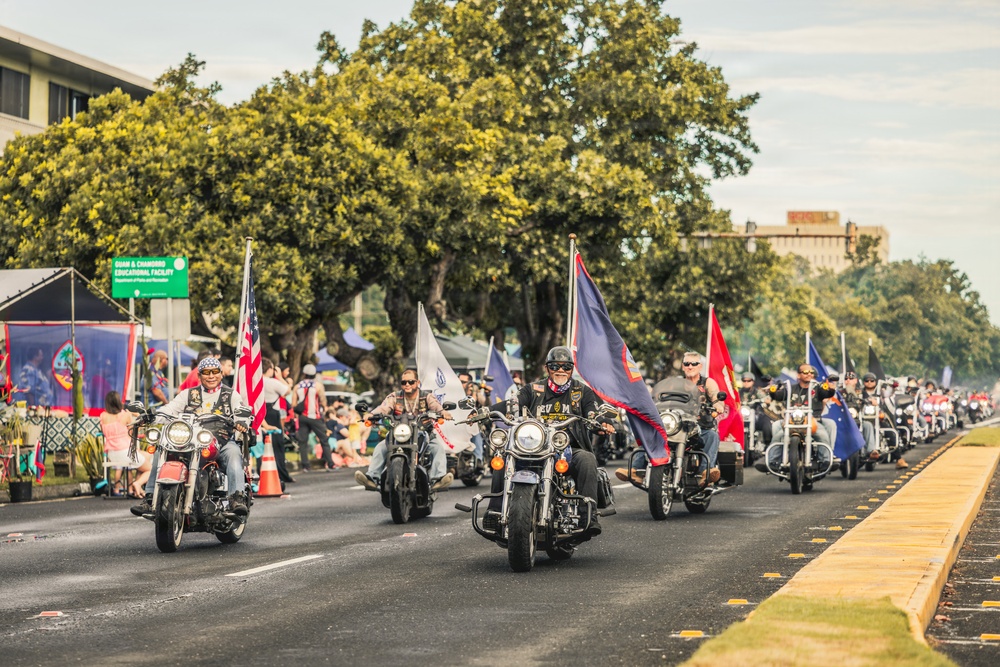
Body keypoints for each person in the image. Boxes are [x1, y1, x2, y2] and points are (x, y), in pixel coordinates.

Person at [490, 346, 613, 535]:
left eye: (566, 367)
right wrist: (485, 411)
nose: (561, 370)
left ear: (572, 369)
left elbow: (592, 411)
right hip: (533, 448)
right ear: (547, 368)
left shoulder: (581, 391)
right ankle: (494, 512)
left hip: (569, 449)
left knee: (588, 459)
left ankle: (588, 515)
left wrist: (602, 422)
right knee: (504, 459)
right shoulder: (533, 389)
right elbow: (512, 404)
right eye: (555, 366)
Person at [130, 357, 251, 517]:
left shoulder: (231, 395)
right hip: (190, 440)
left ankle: (237, 497)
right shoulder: (188, 394)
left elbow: (240, 411)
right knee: (161, 451)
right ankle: (150, 498)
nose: (211, 376)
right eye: (206, 373)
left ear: (221, 374)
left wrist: (241, 421)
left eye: (215, 372)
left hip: (221, 441)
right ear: (199, 376)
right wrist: (150, 416)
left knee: (234, 453)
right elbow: (170, 409)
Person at [354, 368, 455, 491]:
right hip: (398, 434)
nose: (407, 384)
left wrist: (443, 412)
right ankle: (372, 478)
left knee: (438, 448)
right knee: (380, 448)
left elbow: (436, 406)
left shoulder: (426, 397)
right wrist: (371, 415)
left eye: (411, 382)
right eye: (404, 382)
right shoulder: (394, 397)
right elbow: (383, 408)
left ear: (417, 383)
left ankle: (438, 479)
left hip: (423, 433)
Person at [760, 364, 835, 472]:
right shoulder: (790, 388)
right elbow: (779, 395)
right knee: (778, 436)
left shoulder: (817, 388)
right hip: (792, 422)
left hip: (812, 421)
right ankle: (772, 462)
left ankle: (826, 461)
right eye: (805, 372)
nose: (809, 374)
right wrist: (773, 391)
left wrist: (831, 389)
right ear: (798, 375)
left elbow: (826, 393)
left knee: (822, 435)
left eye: (811, 372)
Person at [99, 391, 151, 498]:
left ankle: (137, 490)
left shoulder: (103, 416)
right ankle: (138, 484)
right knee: (150, 467)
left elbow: (103, 431)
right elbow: (132, 432)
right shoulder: (125, 415)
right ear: (118, 402)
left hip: (112, 453)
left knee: (146, 457)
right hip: (126, 452)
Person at [261, 358, 295, 485]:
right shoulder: (272, 382)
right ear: (270, 370)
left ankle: (262, 471)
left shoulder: (255, 381)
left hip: (261, 414)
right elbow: (287, 391)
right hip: (273, 415)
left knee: (262, 445)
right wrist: (280, 377)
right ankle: (282, 474)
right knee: (278, 446)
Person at [294, 364, 333, 471]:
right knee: (324, 440)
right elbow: (323, 401)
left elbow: (294, 404)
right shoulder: (318, 386)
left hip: (302, 417)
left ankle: (305, 465)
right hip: (315, 417)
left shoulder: (297, 386)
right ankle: (330, 463)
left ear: (304, 374)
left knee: (303, 442)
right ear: (314, 374)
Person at [739, 371, 773, 448]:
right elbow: (732, 399)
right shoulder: (738, 392)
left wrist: (765, 400)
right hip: (741, 416)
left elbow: (767, 399)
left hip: (755, 414)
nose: (746, 382)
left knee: (766, 421)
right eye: (744, 381)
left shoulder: (757, 391)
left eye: (749, 381)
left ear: (753, 382)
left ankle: (767, 444)